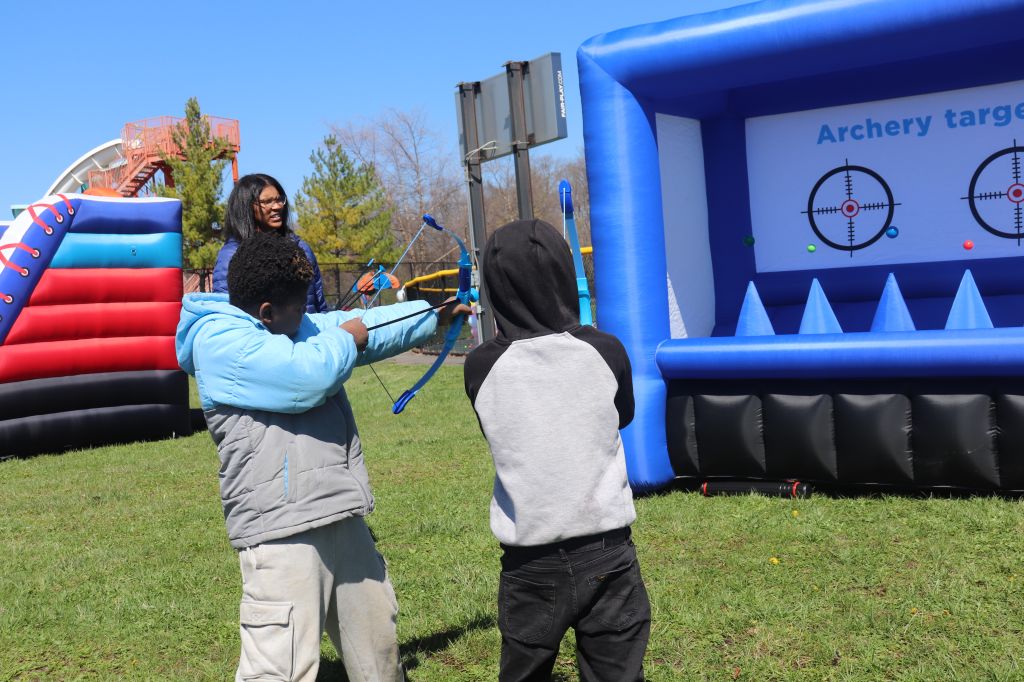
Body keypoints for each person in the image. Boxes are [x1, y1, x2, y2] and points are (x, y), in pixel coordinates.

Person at [176, 231, 469, 682]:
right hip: (279, 532)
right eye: (299, 308)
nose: (308, 316)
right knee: (280, 668)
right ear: (267, 312)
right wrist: (349, 338)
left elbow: (361, 325)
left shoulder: (289, 328)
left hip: (339, 514)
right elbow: (306, 375)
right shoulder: (220, 343)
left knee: (379, 654)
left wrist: (431, 315)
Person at [463, 219, 650, 682]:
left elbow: (499, 431)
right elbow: (621, 415)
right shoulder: (606, 350)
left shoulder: (481, 365)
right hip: (607, 551)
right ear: (565, 274)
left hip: (529, 563)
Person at [213, 173, 328, 313]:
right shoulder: (232, 254)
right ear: (246, 207)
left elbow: (320, 306)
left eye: (280, 199)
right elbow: (227, 314)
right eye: (267, 202)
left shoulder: (300, 248)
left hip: (308, 334)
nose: (278, 206)